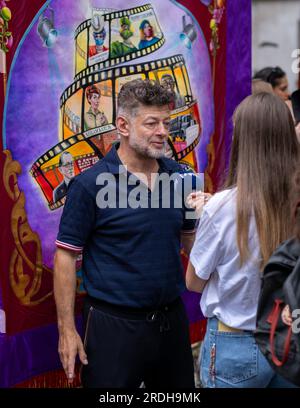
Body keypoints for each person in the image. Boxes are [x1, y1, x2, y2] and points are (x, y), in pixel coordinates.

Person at [53, 79, 206, 388]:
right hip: (112, 327)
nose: (163, 131)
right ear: (122, 125)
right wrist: (66, 330)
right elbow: (66, 256)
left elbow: (191, 241)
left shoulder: (183, 177)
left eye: (167, 122)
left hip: (171, 321)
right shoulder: (89, 185)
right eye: (152, 123)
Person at [186, 92, 300, 388]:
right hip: (289, 342)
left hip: (234, 344)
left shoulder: (221, 208)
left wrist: (207, 219)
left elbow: (194, 282)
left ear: (244, 142)